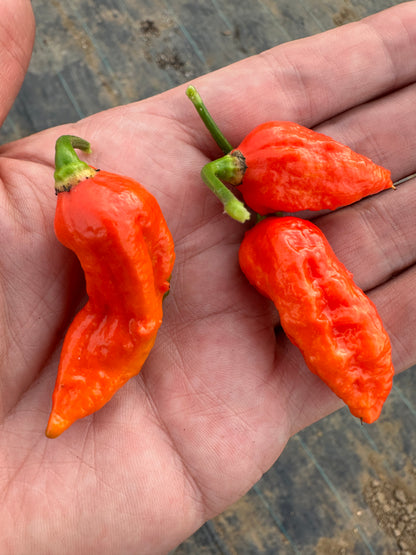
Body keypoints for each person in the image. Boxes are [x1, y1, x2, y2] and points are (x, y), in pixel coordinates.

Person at [1, 0, 415, 553]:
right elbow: (142, 292)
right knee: (134, 312)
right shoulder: (101, 211)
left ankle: (366, 387)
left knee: (284, 265)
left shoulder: (260, 233)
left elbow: (154, 277)